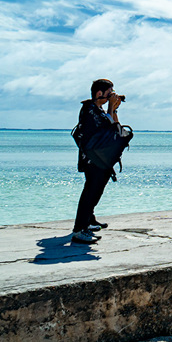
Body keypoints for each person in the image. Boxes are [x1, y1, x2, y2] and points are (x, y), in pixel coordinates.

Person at [71, 79, 125, 244]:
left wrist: (113, 110)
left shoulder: (100, 110)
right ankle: (79, 230)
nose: (111, 96)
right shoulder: (89, 109)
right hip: (92, 159)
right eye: (109, 93)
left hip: (101, 159)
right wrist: (110, 108)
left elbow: (115, 128)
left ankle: (89, 220)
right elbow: (101, 128)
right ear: (99, 93)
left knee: (96, 190)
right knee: (90, 192)